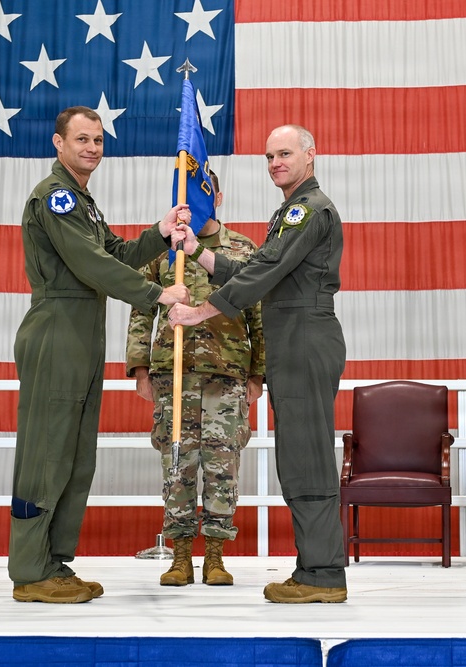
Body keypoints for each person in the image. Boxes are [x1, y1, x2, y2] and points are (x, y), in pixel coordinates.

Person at [10, 106, 191, 604]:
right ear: (58, 144)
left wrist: (158, 231)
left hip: (83, 330)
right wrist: (157, 296)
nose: (92, 148)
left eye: (98, 140)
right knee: (47, 453)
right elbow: (91, 264)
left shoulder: (84, 202)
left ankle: (54, 561)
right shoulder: (57, 198)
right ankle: (29, 569)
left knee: (74, 455)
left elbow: (113, 252)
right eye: (82, 139)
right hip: (56, 330)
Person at [169, 125, 347, 604]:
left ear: (311, 155)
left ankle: (323, 574)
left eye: (284, 153)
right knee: (297, 457)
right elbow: (253, 271)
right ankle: (314, 568)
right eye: (269, 156)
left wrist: (199, 311)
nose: (275, 163)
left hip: (304, 338)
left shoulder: (307, 208)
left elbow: (260, 276)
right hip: (294, 339)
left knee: (306, 458)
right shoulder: (291, 210)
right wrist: (196, 252)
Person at [126, 170, 265, 587]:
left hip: (227, 374)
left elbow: (259, 315)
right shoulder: (163, 248)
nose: (192, 205)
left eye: (201, 196)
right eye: (183, 197)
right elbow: (141, 309)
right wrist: (140, 368)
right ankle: (181, 556)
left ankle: (217, 557)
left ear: (217, 198)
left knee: (223, 465)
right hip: (173, 373)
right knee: (178, 463)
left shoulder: (242, 248)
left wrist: (259, 373)